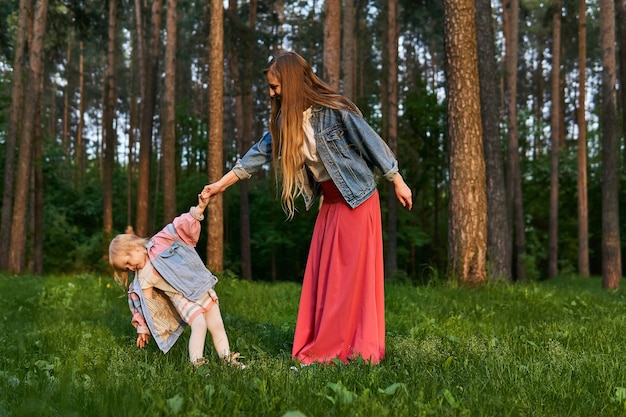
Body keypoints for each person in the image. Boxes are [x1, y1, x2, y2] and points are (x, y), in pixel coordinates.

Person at [206, 51, 412, 365]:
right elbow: (257, 156)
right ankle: (328, 345)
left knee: (345, 282)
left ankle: (340, 351)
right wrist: (219, 185)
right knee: (325, 278)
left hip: (357, 200)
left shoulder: (334, 109)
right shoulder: (283, 122)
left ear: (290, 82)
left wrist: (396, 178)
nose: (272, 93)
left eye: (276, 87)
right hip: (331, 203)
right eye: (270, 88)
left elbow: (370, 140)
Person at [108, 188, 245, 369]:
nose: (129, 267)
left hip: (197, 286)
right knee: (199, 324)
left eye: (127, 262)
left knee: (217, 323)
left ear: (133, 247)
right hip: (181, 299)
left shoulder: (159, 242)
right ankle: (197, 364)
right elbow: (143, 306)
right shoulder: (141, 280)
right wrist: (143, 327)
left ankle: (228, 360)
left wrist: (197, 211)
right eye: (125, 268)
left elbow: (178, 227)